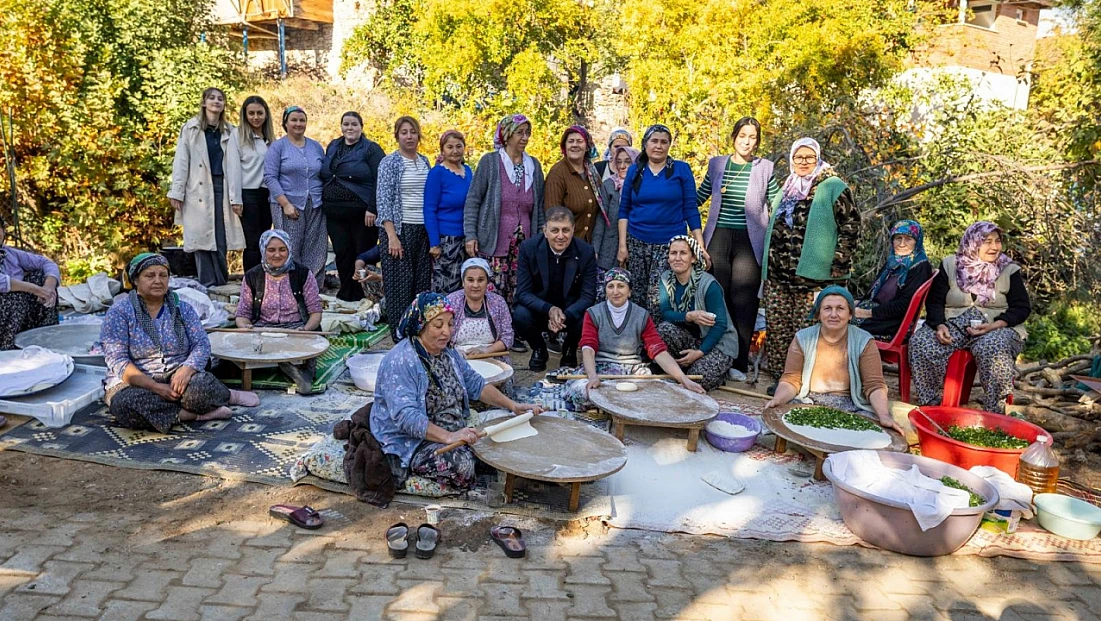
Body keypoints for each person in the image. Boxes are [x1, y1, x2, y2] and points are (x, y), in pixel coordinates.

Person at [369, 293, 544, 490]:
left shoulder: (449, 352)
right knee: (463, 466)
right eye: (438, 325)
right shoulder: (402, 361)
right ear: (420, 325)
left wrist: (513, 406)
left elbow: (475, 384)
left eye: (450, 324)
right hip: (415, 440)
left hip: (453, 425)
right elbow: (406, 417)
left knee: (506, 423)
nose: (446, 332)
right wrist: (449, 437)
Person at [100, 254, 259, 433]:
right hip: (137, 382)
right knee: (124, 404)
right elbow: (118, 361)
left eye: (163, 275)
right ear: (136, 280)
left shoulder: (182, 308)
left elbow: (201, 344)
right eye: (150, 276)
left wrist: (186, 370)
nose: (158, 281)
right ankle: (194, 415)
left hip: (178, 374)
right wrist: (156, 387)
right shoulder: (119, 312)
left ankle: (228, 395)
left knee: (200, 388)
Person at [760, 137, 860, 388]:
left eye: (809, 157)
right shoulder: (788, 187)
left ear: (818, 158)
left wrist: (839, 263)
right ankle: (781, 379)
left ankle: (805, 380)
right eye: (798, 157)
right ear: (792, 159)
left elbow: (851, 226)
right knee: (778, 327)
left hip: (813, 277)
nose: (803, 162)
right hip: (778, 274)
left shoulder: (832, 186)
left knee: (806, 331)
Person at [910, 222, 1031, 414]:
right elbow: (934, 302)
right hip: (954, 324)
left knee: (992, 347)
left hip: (997, 327)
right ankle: (931, 404)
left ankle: (995, 411)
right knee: (921, 342)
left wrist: (995, 325)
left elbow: (1022, 307)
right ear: (973, 242)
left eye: (998, 241)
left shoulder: (1009, 270)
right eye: (987, 241)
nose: (994, 247)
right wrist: (939, 325)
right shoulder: (950, 264)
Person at [697, 117, 779, 380]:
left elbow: (778, 204)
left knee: (744, 303)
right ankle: (713, 356)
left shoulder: (765, 168)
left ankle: (739, 363)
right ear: (734, 136)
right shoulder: (717, 164)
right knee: (716, 298)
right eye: (742, 135)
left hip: (749, 241)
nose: (747, 141)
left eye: (753, 137)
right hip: (718, 238)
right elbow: (700, 197)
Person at [764, 286, 903, 434]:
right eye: (827, 308)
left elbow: (874, 385)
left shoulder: (864, 341)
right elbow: (791, 380)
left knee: (872, 429)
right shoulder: (803, 338)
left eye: (840, 308)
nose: (834, 314)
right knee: (779, 416)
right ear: (818, 314)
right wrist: (778, 400)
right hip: (808, 402)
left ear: (850, 314)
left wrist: (883, 415)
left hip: (850, 405)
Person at [562, 268, 704, 409]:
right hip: (599, 367)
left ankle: (610, 404)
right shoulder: (593, 313)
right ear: (605, 291)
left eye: (621, 286)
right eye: (611, 286)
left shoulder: (641, 315)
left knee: (660, 394)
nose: (615, 291)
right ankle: (617, 404)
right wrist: (592, 377)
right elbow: (588, 348)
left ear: (629, 291)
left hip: (631, 371)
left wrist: (683, 379)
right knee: (581, 392)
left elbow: (658, 350)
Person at [617, 124, 706, 321]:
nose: (658, 146)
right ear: (645, 144)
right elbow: (624, 210)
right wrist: (622, 246)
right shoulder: (634, 171)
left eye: (663, 142)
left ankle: (657, 345)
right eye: (654, 141)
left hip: (668, 244)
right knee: (637, 295)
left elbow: (690, 208)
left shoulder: (681, 170)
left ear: (669, 145)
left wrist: (699, 244)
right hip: (636, 241)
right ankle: (638, 343)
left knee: (658, 298)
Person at [463, 113, 546, 306]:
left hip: (524, 243)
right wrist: (471, 235)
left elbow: (539, 206)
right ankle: (493, 332)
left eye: (527, 133)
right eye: (520, 133)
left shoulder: (533, 165)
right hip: (493, 241)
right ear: (507, 135)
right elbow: (473, 200)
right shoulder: (490, 162)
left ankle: (513, 333)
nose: (525, 138)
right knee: (493, 292)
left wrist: (540, 239)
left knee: (519, 291)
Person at [168, 87, 245, 287]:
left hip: (222, 186)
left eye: (220, 99)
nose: (216, 101)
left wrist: (236, 197)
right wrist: (177, 191)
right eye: (212, 98)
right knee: (200, 239)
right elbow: (181, 161)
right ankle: (207, 284)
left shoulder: (230, 131)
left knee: (221, 237)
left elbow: (236, 166)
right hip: (197, 188)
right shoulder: (191, 129)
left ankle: (221, 282)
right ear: (204, 102)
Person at [235, 230, 324, 394]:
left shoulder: (303, 274)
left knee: (310, 347)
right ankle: (286, 364)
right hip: (263, 330)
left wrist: (305, 330)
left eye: (282, 249)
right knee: (239, 347)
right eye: (271, 250)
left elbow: (315, 313)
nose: (277, 255)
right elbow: (242, 315)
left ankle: (302, 373)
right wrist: (246, 327)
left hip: (296, 329)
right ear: (263, 250)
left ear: (289, 250)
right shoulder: (252, 276)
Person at [512, 207, 597, 371]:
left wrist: (564, 315)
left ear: (573, 229)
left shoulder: (586, 252)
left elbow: (588, 296)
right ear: (545, 231)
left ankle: (570, 350)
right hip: (540, 308)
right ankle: (539, 349)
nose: (560, 236)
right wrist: (549, 310)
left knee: (588, 314)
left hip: (570, 311)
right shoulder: (528, 248)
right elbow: (523, 292)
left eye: (566, 230)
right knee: (520, 314)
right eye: (554, 230)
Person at [657, 236, 740, 391]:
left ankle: (719, 372)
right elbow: (666, 313)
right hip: (691, 339)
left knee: (699, 378)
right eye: (673, 253)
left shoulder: (708, 284)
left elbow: (720, 325)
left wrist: (699, 353)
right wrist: (689, 316)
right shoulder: (666, 279)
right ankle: (680, 369)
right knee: (663, 329)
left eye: (683, 253)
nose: (677, 258)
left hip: (717, 343)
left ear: (693, 258)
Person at [320, 111, 386, 302]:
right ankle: (346, 294)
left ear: (361, 127)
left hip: (362, 213)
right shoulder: (333, 146)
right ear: (341, 127)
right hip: (334, 212)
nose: (350, 128)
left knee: (362, 253)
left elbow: (380, 179)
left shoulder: (371, 149)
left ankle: (365, 294)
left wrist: (373, 208)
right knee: (342, 253)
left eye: (354, 124)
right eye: (346, 124)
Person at [377, 116, 433, 340]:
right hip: (399, 229)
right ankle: (399, 336)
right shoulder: (390, 163)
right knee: (399, 287)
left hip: (423, 229)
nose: (409, 136)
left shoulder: (425, 162)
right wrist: (391, 236)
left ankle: (417, 332)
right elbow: (384, 201)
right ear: (397, 136)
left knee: (420, 284)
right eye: (404, 132)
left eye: (413, 132)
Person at [264, 106, 328, 287]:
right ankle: (291, 287)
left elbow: (323, 172)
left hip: (315, 203)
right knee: (290, 247)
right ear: (285, 123)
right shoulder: (278, 147)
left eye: (302, 120)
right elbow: (270, 177)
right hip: (288, 204)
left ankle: (312, 287)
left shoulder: (315, 146)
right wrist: (285, 203)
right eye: (294, 120)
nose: (298, 124)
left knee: (316, 247)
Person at [854, 219, 934, 339]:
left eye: (908, 239)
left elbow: (904, 305)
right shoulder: (892, 262)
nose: (902, 244)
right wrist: (858, 302)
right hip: (877, 312)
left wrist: (867, 313)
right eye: (898, 238)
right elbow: (873, 292)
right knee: (833, 313)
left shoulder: (920, 266)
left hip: (894, 322)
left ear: (917, 242)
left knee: (839, 322)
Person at [231, 95, 275, 273]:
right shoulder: (238, 135)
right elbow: (232, 167)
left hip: (267, 194)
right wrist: (236, 198)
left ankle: (264, 277)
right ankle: (251, 281)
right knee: (252, 242)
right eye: (251, 113)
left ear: (266, 115)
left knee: (265, 240)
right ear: (245, 115)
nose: (256, 117)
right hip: (248, 193)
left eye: (259, 113)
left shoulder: (270, 138)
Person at [0, 219, 60, 350]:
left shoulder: (9, 253)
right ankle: (7, 347)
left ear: (3, 230)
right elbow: (3, 282)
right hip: (4, 322)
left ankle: (45, 337)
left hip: (20, 315)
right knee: (14, 294)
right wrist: (35, 290)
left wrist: (48, 287)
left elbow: (47, 263)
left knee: (41, 276)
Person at [425, 130, 472, 294]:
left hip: (466, 239)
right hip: (446, 241)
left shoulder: (469, 171)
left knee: (464, 287)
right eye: (450, 147)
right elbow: (429, 209)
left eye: (459, 146)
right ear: (442, 150)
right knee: (446, 288)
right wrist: (434, 243)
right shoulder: (437, 173)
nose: (455, 150)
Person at [445, 258, 513, 360]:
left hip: (491, 356)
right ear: (463, 282)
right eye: (470, 280)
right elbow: (439, 334)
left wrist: (486, 350)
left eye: (480, 280)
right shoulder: (451, 301)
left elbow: (508, 337)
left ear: (487, 282)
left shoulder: (498, 302)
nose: (475, 285)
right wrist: (455, 353)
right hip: (458, 358)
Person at [544, 125, 603, 243]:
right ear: (564, 146)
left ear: (587, 146)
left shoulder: (592, 173)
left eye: (579, 141)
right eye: (571, 141)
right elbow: (552, 214)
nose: (575, 145)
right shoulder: (558, 173)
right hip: (565, 245)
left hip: (588, 246)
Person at [593, 146, 638, 286]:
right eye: (619, 162)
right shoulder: (609, 185)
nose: (623, 166)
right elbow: (601, 219)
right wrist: (595, 249)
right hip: (609, 248)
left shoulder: (643, 186)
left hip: (636, 249)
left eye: (627, 162)